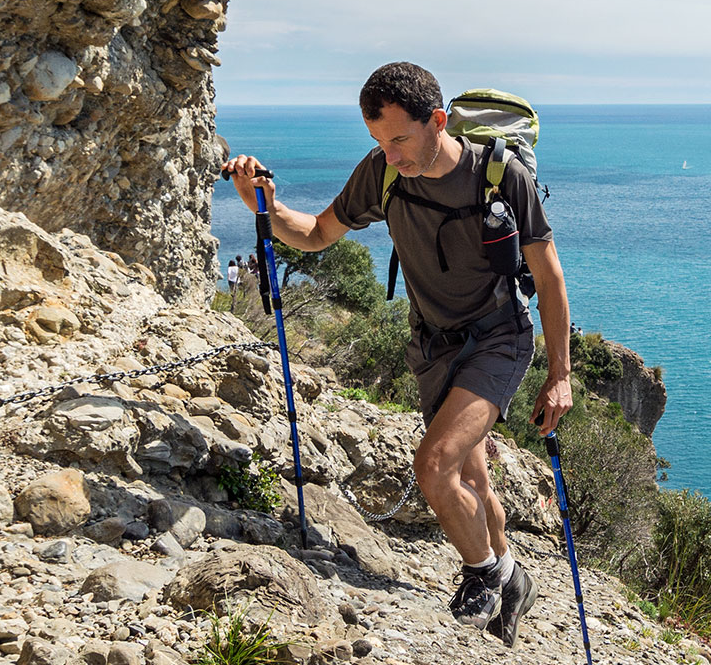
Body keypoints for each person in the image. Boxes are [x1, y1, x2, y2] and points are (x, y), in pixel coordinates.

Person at [221, 62, 573, 646]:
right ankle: (512, 578)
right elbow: (314, 233)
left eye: (399, 138)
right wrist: (264, 205)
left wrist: (559, 375)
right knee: (470, 478)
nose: (391, 154)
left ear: (437, 121)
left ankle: (482, 574)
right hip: (432, 345)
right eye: (379, 141)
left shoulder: (500, 175)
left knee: (434, 465)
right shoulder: (383, 175)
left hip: (497, 338)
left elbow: (550, 275)